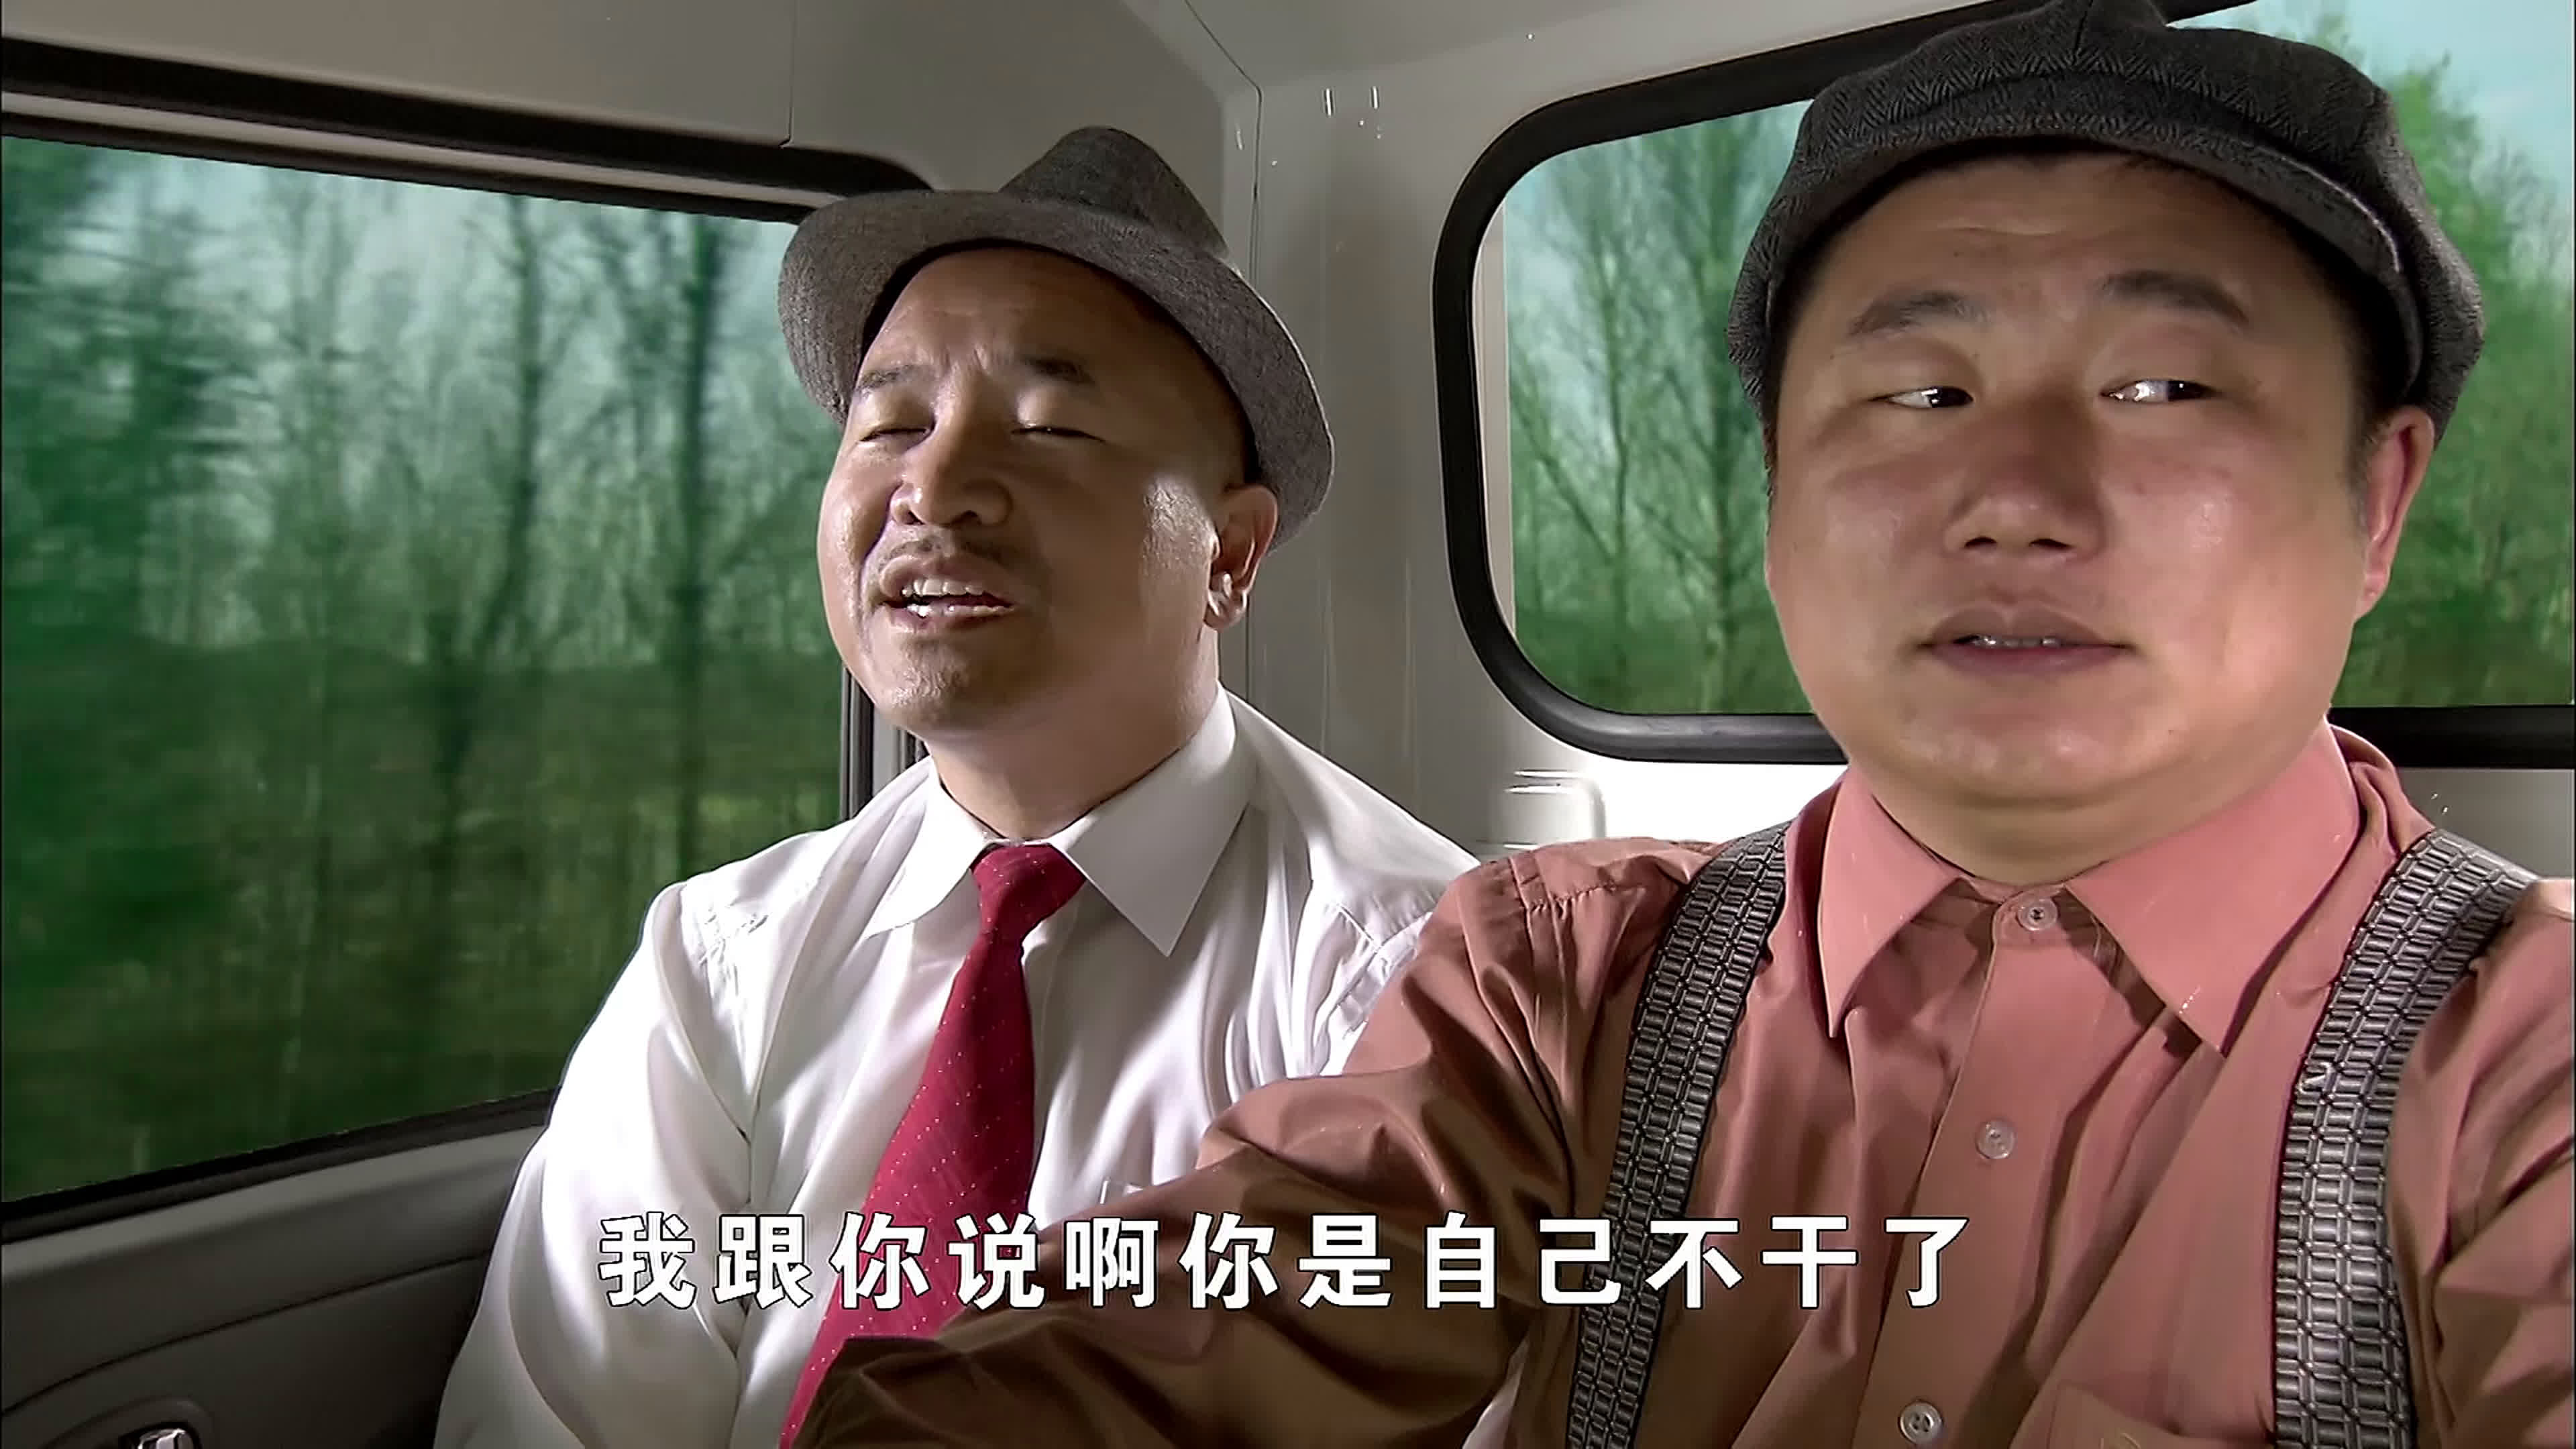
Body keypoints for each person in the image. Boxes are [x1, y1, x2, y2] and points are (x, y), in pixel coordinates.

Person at [786, 2, 2575, 1446]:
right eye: (1919, 391)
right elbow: (1171, 1348)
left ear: (2379, 499)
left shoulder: (2526, 1076)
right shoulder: (1558, 990)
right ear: (1783, 498)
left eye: (2162, 385)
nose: (2016, 499)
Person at [430, 127, 1477, 1449]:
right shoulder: (727, 963)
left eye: (1050, 425)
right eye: (892, 425)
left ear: (1229, 553)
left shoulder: (1406, 974)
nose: (933, 487)